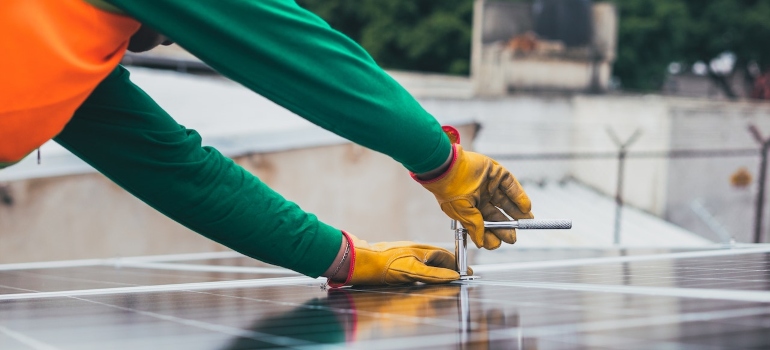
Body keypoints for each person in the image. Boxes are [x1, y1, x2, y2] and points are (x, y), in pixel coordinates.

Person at [2, 0, 533, 286]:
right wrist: (441, 162)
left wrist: (342, 258)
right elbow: (296, 52)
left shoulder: (65, 51)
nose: (171, 36)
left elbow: (176, 169)